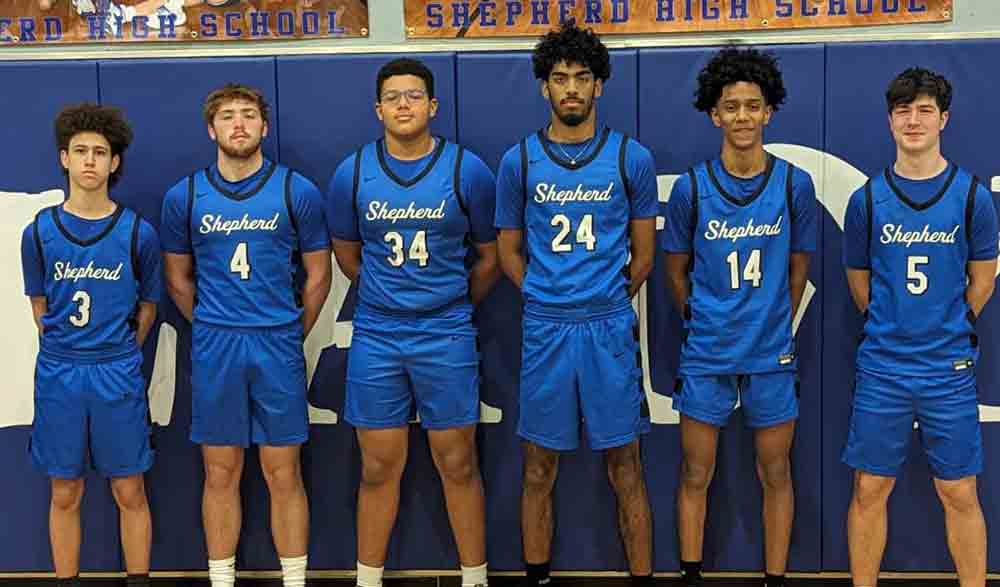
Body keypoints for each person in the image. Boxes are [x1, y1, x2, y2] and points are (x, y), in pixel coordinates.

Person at [494, 21, 657, 587]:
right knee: (538, 466)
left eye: (581, 78)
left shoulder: (629, 157)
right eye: (559, 78)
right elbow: (508, 251)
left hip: (608, 325)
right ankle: (537, 575)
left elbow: (643, 256)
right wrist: (544, 295)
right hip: (546, 326)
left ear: (599, 86)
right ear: (544, 86)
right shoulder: (519, 161)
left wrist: (604, 298)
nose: (570, 88)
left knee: (626, 464)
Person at [326, 57, 499, 587]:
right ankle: (368, 578)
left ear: (433, 106)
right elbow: (347, 254)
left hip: (445, 329)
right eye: (394, 97)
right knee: (378, 467)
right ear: (378, 109)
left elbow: (489, 257)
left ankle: (475, 577)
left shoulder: (465, 169)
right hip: (379, 331)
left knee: (458, 462)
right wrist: (391, 298)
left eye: (414, 95)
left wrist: (443, 303)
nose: (404, 104)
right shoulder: (352, 171)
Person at [160, 84, 332, 587]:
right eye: (228, 116)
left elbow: (318, 276)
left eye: (249, 115)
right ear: (211, 129)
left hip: (276, 341)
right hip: (217, 344)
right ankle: (221, 580)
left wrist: (287, 330)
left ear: (265, 126)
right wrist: (214, 324)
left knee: (285, 472)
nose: (239, 124)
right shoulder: (185, 195)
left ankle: (295, 580)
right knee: (220, 472)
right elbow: (177, 279)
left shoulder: (295, 191)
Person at [660, 46, 817, 587]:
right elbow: (675, 272)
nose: (744, 117)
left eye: (754, 105)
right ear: (715, 114)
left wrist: (769, 323)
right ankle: (691, 574)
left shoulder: (794, 185)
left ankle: (775, 577)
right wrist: (710, 320)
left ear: (769, 111)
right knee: (695, 472)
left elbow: (799, 271)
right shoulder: (692, 188)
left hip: (771, 353)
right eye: (733, 107)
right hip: (707, 352)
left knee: (775, 471)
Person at [841, 67, 996, 587]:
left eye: (925, 109)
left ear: (944, 119)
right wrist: (897, 328)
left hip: (947, 368)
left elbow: (983, 282)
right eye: (904, 111)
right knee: (869, 489)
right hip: (883, 367)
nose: (914, 120)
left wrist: (943, 328)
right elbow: (860, 285)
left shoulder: (973, 197)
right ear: (890, 121)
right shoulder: (866, 200)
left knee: (959, 492)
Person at [22, 103, 160, 587]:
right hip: (61, 371)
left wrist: (119, 350)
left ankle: (138, 579)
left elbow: (147, 307)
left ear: (114, 163)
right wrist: (66, 345)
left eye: (100, 152)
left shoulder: (137, 232)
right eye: (79, 151)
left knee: (130, 488)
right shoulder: (38, 232)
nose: (89, 161)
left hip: (115, 370)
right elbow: (39, 304)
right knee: (65, 491)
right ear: (63, 158)